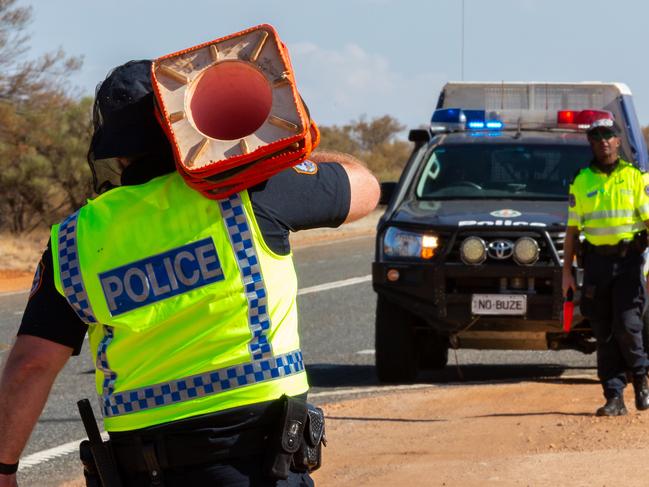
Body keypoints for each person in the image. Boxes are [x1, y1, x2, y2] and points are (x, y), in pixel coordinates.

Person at [0, 60, 379, 486]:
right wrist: (279, 153)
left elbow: (32, 364)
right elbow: (365, 187)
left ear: (118, 151)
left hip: (142, 472)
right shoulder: (246, 192)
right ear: (185, 125)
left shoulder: (75, 239)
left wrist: (4, 469)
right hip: (260, 467)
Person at [562, 117, 649, 416]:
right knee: (603, 331)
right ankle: (614, 397)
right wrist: (566, 274)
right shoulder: (581, 179)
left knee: (627, 325)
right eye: (597, 136)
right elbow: (572, 231)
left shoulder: (636, 177)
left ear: (618, 140)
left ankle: (641, 378)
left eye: (609, 135)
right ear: (591, 142)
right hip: (597, 264)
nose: (603, 141)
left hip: (628, 262)